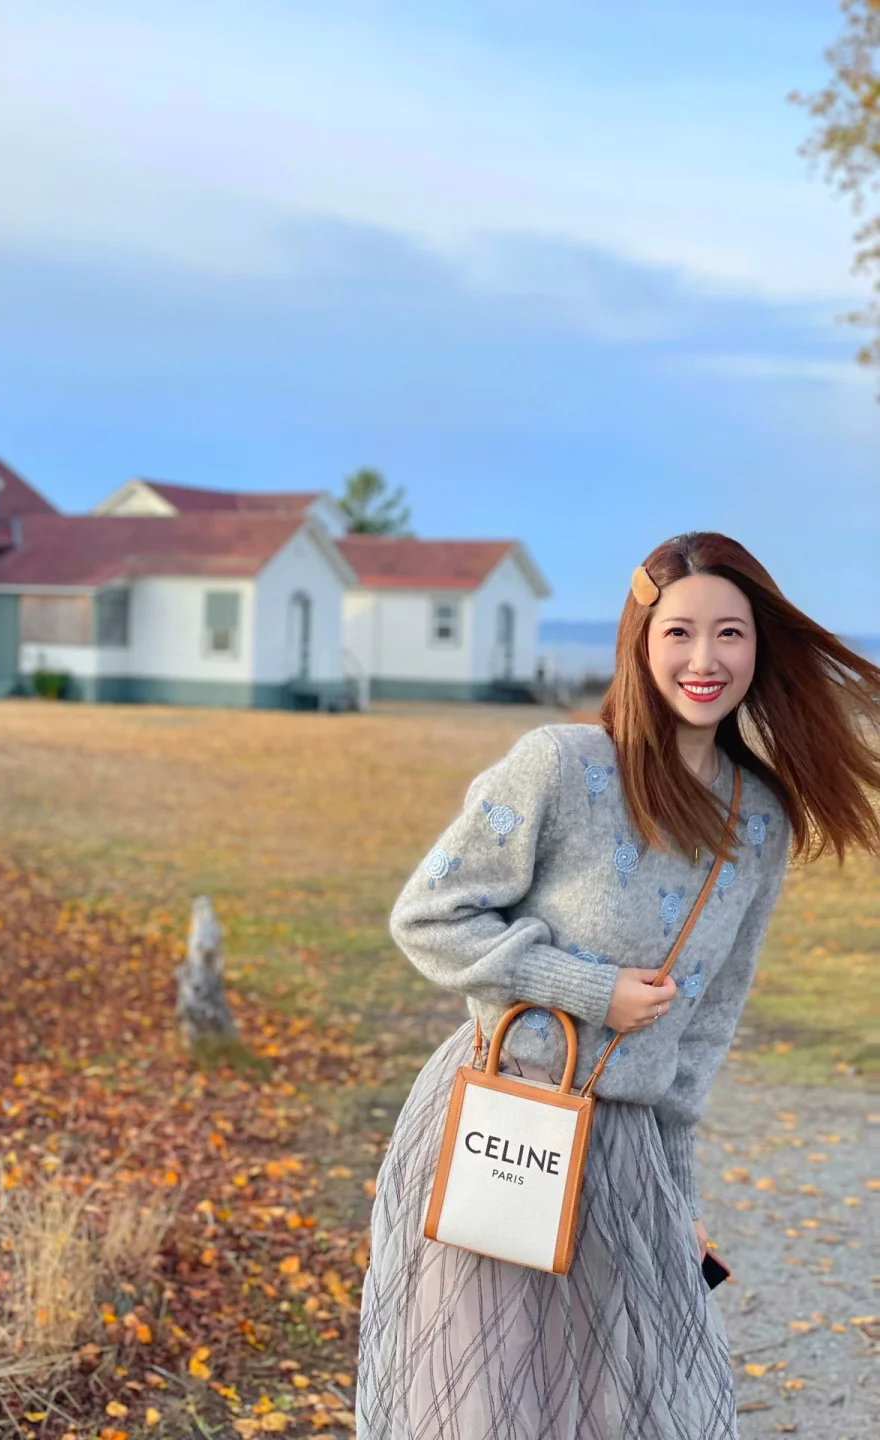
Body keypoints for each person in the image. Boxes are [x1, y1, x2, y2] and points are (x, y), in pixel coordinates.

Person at [356, 532, 880, 1440]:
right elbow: (429, 915)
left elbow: (706, 1026)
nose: (705, 659)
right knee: (483, 1398)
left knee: (628, 1402)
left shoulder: (759, 822)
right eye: (679, 632)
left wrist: (679, 1199)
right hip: (502, 1119)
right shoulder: (561, 765)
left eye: (730, 633)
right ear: (640, 640)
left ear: (761, 648)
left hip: (627, 1152)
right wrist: (593, 991)